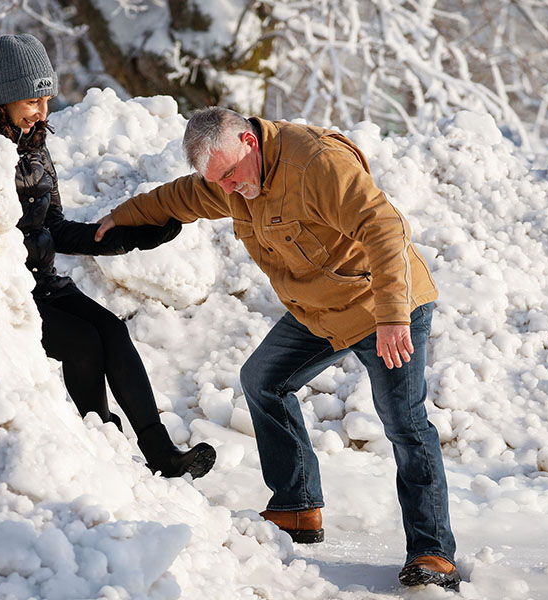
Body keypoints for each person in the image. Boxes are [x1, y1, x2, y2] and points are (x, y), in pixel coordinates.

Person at [95, 107, 459, 589]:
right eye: (216, 180)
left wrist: (393, 314)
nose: (225, 188)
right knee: (263, 381)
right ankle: (298, 506)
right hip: (320, 310)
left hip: (381, 303)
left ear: (249, 140)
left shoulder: (315, 164)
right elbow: (183, 197)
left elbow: (384, 226)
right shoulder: (234, 175)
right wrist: (122, 217)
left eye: (228, 175)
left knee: (404, 422)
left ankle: (433, 552)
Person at [0, 34, 216, 479]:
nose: (42, 111)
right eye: (31, 100)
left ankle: (161, 454)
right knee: (82, 342)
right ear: (3, 97)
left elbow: (55, 226)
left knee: (111, 331)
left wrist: (128, 238)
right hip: (1, 293)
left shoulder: (35, 144)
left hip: (42, 282)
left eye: (46, 99)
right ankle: (101, 447)